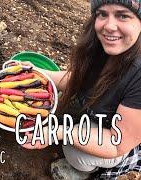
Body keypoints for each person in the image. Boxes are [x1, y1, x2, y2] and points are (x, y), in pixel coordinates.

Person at [21, 0, 141, 179]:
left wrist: (57, 132)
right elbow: (76, 80)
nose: (109, 26)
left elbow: (117, 144)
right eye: (102, 14)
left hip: (120, 139)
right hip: (99, 117)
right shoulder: (100, 47)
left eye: (123, 15)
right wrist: (38, 73)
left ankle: (82, 171)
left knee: (75, 153)